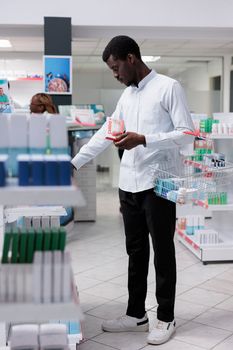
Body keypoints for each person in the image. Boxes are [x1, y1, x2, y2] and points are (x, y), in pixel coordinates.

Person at [71, 35, 194, 345]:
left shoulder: (168, 87)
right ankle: (136, 314)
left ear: (131, 58)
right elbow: (105, 134)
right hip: (129, 185)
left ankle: (166, 317)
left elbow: (186, 135)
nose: (115, 75)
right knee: (135, 251)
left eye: (115, 68)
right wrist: (73, 164)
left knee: (163, 253)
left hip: (159, 183)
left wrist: (145, 139)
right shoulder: (127, 96)